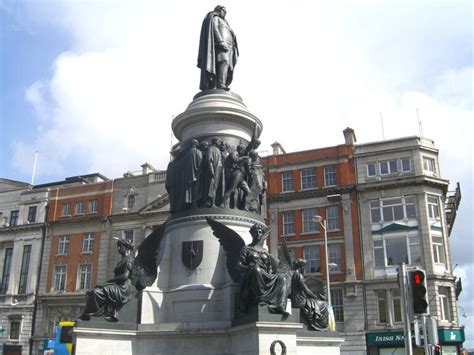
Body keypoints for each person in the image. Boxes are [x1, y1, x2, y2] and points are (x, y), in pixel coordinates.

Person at [237, 224, 290, 314]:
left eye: (260, 232)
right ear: (251, 233)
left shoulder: (265, 251)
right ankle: (261, 299)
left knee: (282, 278)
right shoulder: (246, 249)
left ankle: (280, 305)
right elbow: (239, 265)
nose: (258, 233)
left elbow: (271, 267)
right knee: (257, 270)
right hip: (253, 274)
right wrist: (249, 267)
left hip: (265, 274)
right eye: (256, 232)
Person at [78, 238, 134, 322]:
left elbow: (125, 276)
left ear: (126, 247)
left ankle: (89, 315)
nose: (118, 248)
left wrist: (107, 282)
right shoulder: (121, 261)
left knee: (96, 292)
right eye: (118, 246)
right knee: (89, 293)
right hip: (118, 286)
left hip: (123, 288)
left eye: (120, 246)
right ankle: (90, 314)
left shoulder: (129, 260)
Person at [197, 5, 239, 90]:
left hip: (229, 47)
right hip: (219, 45)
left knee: (227, 64)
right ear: (218, 10)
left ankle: (220, 83)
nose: (225, 13)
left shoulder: (226, 22)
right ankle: (220, 83)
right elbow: (214, 28)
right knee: (223, 61)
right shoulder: (215, 18)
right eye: (223, 11)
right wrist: (220, 41)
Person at [290, 259, 329, 330]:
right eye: (304, 267)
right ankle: (320, 325)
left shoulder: (292, 274)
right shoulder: (299, 276)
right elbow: (307, 291)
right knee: (324, 304)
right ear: (300, 267)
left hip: (295, 300)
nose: (304, 269)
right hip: (299, 301)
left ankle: (318, 323)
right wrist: (316, 297)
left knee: (314, 303)